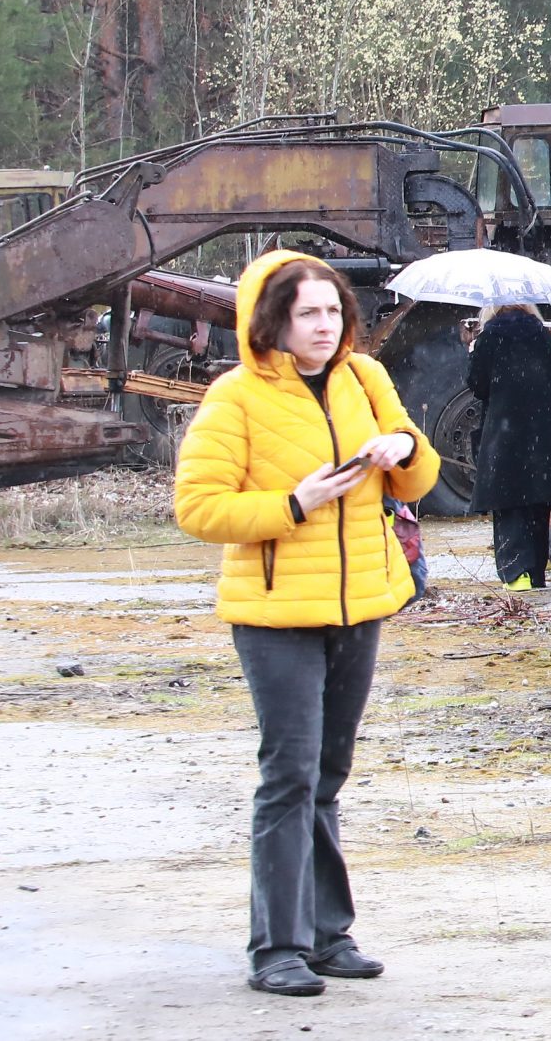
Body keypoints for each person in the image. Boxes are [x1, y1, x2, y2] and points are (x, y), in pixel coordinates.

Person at [174, 250, 438, 997]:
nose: (324, 326)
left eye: (332, 311)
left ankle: (329, 934)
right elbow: (198, 506)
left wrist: (407, 448)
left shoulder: (366, 379)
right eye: (307, 314)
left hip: (361, 605)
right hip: (275, 612)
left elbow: (422, 476)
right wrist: (293, 503)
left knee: (327, 774)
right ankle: (277, 948)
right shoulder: (235, 397)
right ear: (274, 322)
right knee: (288, 774)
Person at [466, 301, 551, 589]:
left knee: (509, 506)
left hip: (504, 436)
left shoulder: (489, 337)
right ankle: (536, 573)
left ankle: (516, 575)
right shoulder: (543, 336)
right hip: (541, 434)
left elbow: (477, 384)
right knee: (538, 506)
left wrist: (474, 353)